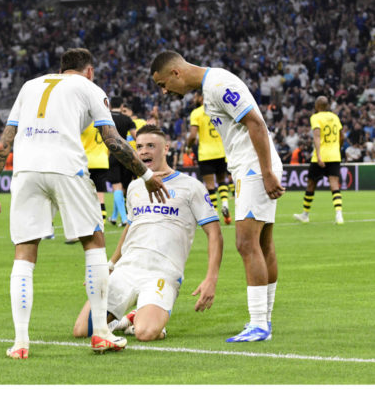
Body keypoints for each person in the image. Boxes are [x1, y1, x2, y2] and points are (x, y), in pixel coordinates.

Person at [0, 48, 169, 359]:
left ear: (61, 68)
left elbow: (5, 141)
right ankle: (101, 333)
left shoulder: (30, 86)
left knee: (24, 253)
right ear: (89, 71)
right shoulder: (89, 88)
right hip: (66, 168)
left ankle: (20, 342)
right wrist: (147, 174)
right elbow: (113, 140)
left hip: (26, 172)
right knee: (93, 242)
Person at [151, 50, 285, 342]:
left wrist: (265, 172)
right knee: (263, 243)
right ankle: (263, 321)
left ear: (176, 73)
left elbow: (255, 123)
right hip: (250, 167)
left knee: (246, 243)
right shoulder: (210, 88)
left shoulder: (218, 84)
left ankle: (259, 323)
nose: (164, 91)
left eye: (163, 84)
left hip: (254, 167)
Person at [73, 125, 223, 341]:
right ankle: (129, 318)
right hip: (127, 269)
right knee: (81, 330)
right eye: (140, 146)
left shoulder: (191, 187)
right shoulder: (135, 187)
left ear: (166, 148)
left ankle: (138, 317)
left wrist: (211, 279)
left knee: (145, 333)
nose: (144, 151)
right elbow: (131, 228)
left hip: (162, 273)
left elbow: (215, 234)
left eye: (151, 146)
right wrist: (110, 265)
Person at [293, 96, 345, 225]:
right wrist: (337, 149)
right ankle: (339, 215)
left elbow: (317, 137)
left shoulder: (315, 117)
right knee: (334, 183)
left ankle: (305, 214)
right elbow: (341, 136)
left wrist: (319, 155)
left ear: (317, 106)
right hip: (334, 155)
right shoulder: (335, 117)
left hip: (320, 156)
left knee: (311, 184)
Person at [187, 91, 232, 224]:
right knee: (222, 180)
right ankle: (225, 204)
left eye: (196, 97)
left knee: (210, 185)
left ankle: (215, 213)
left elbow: (193, 136)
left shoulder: (196, 113)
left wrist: (188, 146)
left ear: (201, 98)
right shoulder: (219, 110)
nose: (195, 99)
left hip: (206, 153)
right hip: (221, 151)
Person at [107, 96, 136, 227]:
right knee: (122, 187)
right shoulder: (127, 119)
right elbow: (135, 136)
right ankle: (114, 216)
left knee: (116, 187)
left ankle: (124, 219)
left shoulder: (106, 117)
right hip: (125, 154)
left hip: (113, 154)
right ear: (122, 106)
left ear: (110, 105)